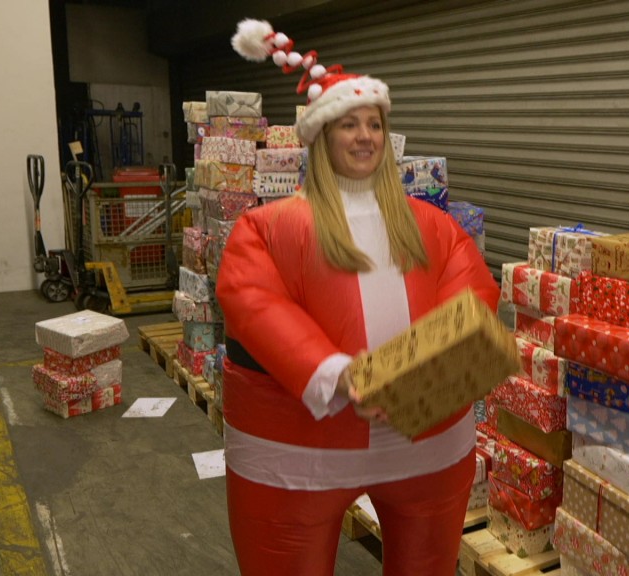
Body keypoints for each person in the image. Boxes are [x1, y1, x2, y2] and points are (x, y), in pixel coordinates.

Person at [215, 19, 499, 576]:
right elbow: (253, 300)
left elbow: (472, 292)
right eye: (348, 124)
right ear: (322, 137)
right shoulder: (267, 228)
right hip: (299, 453)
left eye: (373, 123)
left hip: (426, 443)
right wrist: (339, 374)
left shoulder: (432, 227)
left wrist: (424, 369)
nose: (364, 136)